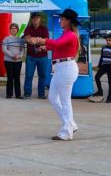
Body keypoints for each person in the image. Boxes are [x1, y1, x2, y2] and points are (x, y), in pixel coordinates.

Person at [27, 8, 80, 141]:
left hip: (66, 69)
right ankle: (70, 124)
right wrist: (45, 47)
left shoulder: (70, 34)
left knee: (65, 100)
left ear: (68, 21)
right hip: (61, 69)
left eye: (62, 19)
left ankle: (67, 132)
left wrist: (40, 40)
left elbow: (57, 43)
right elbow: (57, 46)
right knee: (52, 98)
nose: (59, 20)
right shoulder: (66, 33)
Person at [23, 12, 49, 99]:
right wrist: (38, 40)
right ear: (31, 19)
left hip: (43, 56)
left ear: (40, 19)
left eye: (37, 18)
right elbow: (27, 39)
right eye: (34, 18)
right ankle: (27, 93)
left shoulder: (44, 29)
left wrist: (34, 40)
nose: (35, 19)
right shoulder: (28, 28)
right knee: (28, 75)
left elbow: (46, 41)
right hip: (30, 56)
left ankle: (41, 94)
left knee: (42, 75)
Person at [89, 34, 111, 103]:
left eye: (109, 40)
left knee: (110, 82)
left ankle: (109, 97)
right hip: (104, 66)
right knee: (97, 77)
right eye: (107, 40)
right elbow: (101, 58)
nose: (108, 41)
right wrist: (99, 65)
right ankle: (100, 91)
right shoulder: (104, 48)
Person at [2, 23, 25, 99]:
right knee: (10, 77)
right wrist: (12, 56)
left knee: (17, 78)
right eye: (12, 28)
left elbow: (22, 49)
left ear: (17, 30)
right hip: (8, 61)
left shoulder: (20, 39)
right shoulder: (6, 39)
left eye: (15, 28)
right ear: (10, 30)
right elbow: (4, 49)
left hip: (18, 61)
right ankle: (9, 94)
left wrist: (19, 56)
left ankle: (18, 94)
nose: (13, 29)